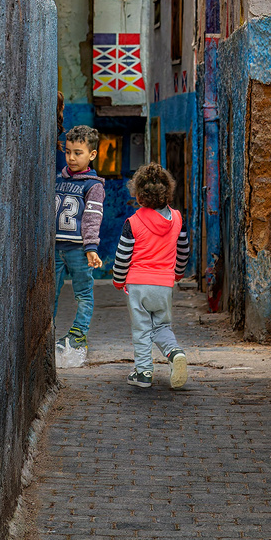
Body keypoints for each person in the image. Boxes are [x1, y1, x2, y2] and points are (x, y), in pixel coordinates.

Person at [112, 162, 190, 389]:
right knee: (162, 326)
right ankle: (174, 352)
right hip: (164, 285)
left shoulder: (133, 223)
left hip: (137, 285)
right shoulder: (177, 219)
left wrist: (118, 279)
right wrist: (177, 274)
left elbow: (122, 256)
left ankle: (143, 372)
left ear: (138, 196)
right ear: (168, 192)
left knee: (141, 329)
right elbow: (182, 250)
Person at [54, 125, 105, 366]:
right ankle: (49, 334)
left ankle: (78, 333)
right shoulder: (57, 179)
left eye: (78, 153)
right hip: (54, 249)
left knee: (83, 293)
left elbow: (92, 218)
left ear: (92, 155)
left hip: (78, 250)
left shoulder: (93, 186)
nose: (72, 158)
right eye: (68, 152)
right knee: (49, 293)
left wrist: (91, 248)